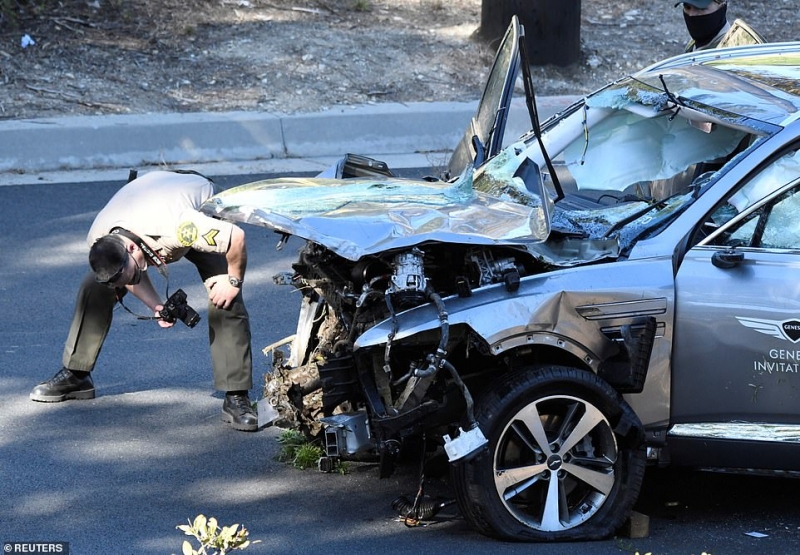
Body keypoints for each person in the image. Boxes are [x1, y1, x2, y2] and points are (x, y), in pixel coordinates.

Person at [30, 170, 258, 432]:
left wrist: (233, 282)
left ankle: (236, 395)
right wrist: (156, 306)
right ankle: (77, 374)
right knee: (93, 286)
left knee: (224, 298)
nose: (120, 285)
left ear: (131, 249)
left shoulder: (183, 227)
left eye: (121, 277)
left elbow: (235, 238)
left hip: (193, 207)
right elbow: (126, 276)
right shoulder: (99, 239)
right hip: (149, 205)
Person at [676, 1, 764, 52]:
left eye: (700, 8)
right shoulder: (692, 47)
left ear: (722, 5)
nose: (691, 15)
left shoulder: (739, 50)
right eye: (687, 7)